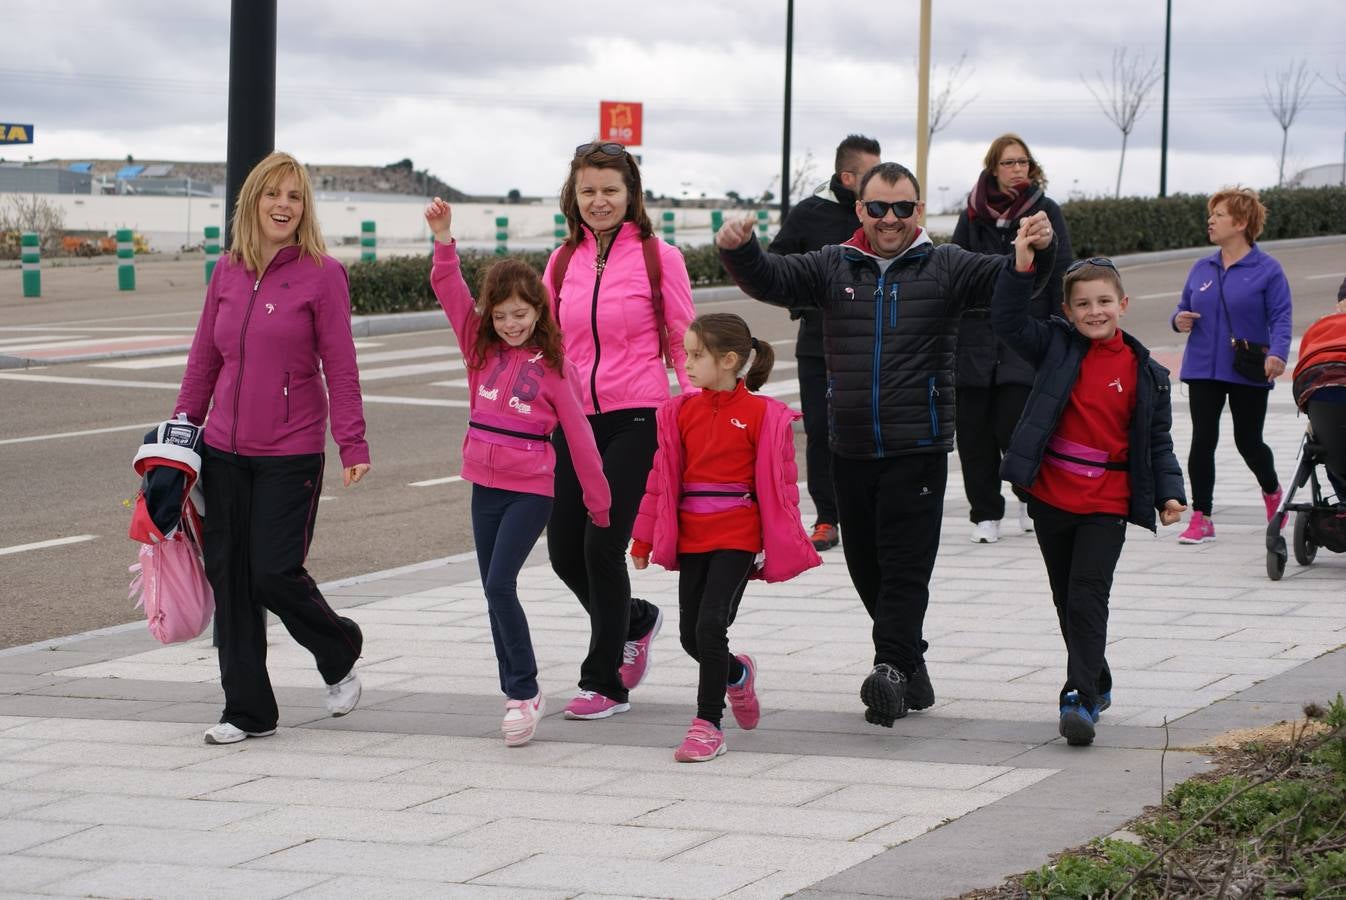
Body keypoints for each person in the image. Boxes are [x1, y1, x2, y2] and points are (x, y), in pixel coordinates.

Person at [716, 161, 1057, 727]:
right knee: (866, 568)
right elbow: (772, 279)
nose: (890, 219)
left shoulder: (945, 265)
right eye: (878, 208)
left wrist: (1031, 254)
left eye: (902, 208)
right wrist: (742, 250)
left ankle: (891, 671)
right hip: (849, 445)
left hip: (917, 445)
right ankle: (911, 664)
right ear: (860, 210)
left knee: (904, 567)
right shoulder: (833, 264)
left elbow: (1009, 287)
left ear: (918, 211)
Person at [175, 151, 369, 746]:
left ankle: (338, 648)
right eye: (272, 195)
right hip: (224, 451)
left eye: (294, 196)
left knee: (272, 571)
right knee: (230, 578)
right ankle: (247, 711)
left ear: (303, 208)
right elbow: (204, 359)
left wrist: (352, 441)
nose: (283, 205)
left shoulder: (321, 273)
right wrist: (182, 430)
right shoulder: (228, 270)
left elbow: (340, 363)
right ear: (252, 202)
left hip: (291, 449)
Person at [425, 198, 611, 747]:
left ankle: (525, 690)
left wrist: (600, 504)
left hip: (531, 490)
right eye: (500, 314)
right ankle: (516, 693)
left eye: (520, 314)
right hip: (484, 487)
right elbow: (449, 290)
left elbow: (581, 440)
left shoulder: (556, 370)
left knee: (502, 584)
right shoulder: (477, 348)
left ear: (539, 311)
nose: (509, 324)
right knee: (491, 590)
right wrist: (443, 238)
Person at [993, 237, 1186, 746]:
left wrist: (1169, 492)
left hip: (1108, 501)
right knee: (1066, 598)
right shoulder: (1055, 346)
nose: (1094, 311)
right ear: (1067, 311)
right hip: (1052, 497)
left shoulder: (1146, 373)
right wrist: (1020, 267)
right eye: (1082, 304)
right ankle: (1097, 679)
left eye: (1103, 301)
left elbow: (1158, 441)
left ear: (1122, 305)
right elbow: (1009, 322)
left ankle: (1078, 696)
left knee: (1086, 597)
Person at [545, 142, 698, 720]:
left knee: (602, 547)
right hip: (575, 421)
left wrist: (695, 410)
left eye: (610, 189)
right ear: (574, 196)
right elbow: (548, 346)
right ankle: (633, 619)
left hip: (640, 416)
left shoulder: (661, 258)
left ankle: (603, 681)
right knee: (563, 551)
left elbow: (683, 340)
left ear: (630, 193)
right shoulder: (561, 263)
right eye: (589, 190)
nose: (599, 201)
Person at [629, 313, 820, 761]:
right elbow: (660, 479)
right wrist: (642, 538)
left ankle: (707, 724)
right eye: (687, 354)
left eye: (697, 355)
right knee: (690, 638)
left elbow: (782, 485)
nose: (688, 363)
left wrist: (780, 539)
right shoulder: (679, 412)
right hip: (691, 534)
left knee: (712, 626)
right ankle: (737, 674)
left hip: (737, 535)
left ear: (729, 360)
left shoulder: (762, 414)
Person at [952, 133, 1073, 543]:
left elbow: (1062, 272)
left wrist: (1062, 329)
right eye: (1009, 162)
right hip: (974, 338)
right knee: (973, 433)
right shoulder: (971, 214)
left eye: (1023, 161)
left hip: (1024, 335)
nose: (1017, 169)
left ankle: (1028, 494)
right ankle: (983, 513)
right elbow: (956, 269)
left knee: (1014, 425)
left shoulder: (1045, 211)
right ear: (993, 168)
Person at [768, 134, 882, 552]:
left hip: (873, 344)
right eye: (869, 174)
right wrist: (807, 306)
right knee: (820, 431)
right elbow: (777, 267)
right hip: (818, 344)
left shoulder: (882, 215)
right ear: (846, 176)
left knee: (867, 428)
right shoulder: (809, 214)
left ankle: (868, 512)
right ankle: (827, 517)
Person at [1170, 187, 1292, 544]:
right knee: (1202, 439)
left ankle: (1272, 493)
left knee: (1248, 441)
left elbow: (1282, 316)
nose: (1211, 220)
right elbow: (1181, 307)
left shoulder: (1268, 269)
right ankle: (1201, 516)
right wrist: (1179, 320)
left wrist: (1279, 353)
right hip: (1202, 367)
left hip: (1248, 366)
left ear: (1240, 223)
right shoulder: (1201, 267)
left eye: (1219, 215)